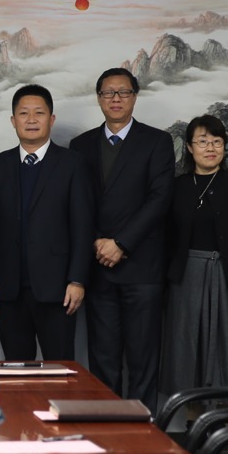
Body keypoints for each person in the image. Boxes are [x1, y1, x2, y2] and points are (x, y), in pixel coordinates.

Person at [69, 68, 174, 412]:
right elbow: (77, 203)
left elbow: (159, 199)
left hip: (141, 267)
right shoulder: (81, 145)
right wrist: (97, 242)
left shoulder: (156, 141)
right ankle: (107, 428)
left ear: (135, 97)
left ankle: (144, 432)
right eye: (108, 93)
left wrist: (121, 243)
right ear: (99, 98)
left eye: (123, 92)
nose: (116, 99)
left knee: (143, 359)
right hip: (98, 266)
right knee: (103, 359)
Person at [0, 84, 94, 361]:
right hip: (9, 290)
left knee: (60, 370)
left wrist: (77, 279)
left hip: (58, 290)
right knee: (16, 371)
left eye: (39, 113)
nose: (31, 119)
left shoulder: (72, 164)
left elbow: (82, 226)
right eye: (24, 113)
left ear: (51, 119)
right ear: (13, 121)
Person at [160, 115, 228, 398]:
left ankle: (225, 421)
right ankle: (193, 418)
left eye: (217, 142)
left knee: (227, 354)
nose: (210, 148)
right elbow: (166, 238)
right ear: (190, 147)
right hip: (186, 279)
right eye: (203, 141)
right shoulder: (177, 186)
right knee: (188, 354)